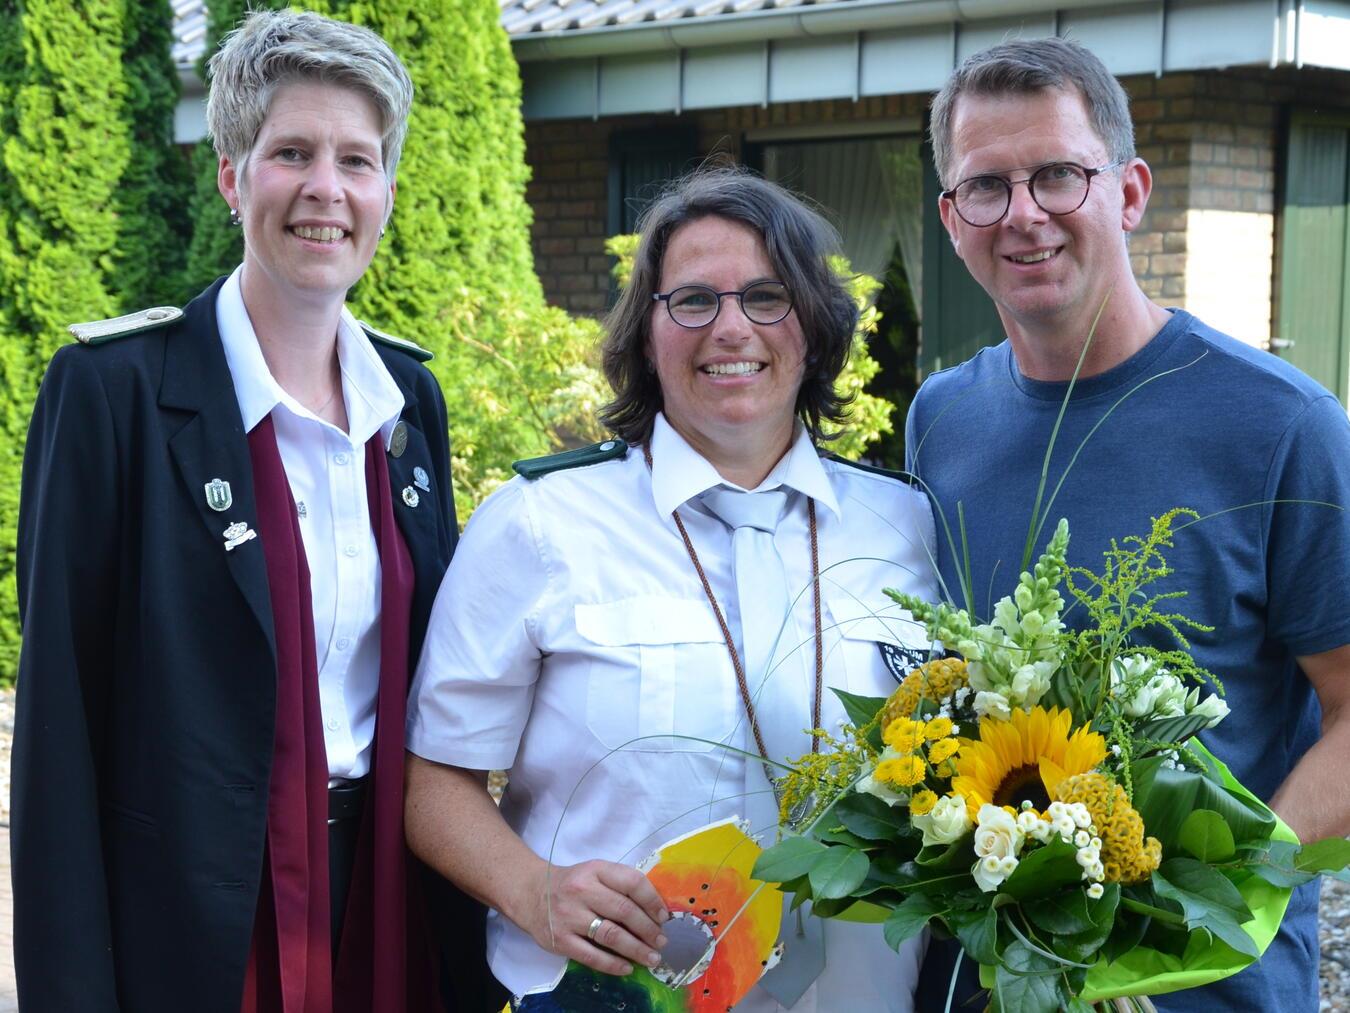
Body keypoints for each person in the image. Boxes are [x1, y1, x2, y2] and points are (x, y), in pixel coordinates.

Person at [11, 10, 496, 1012]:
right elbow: (56, 736)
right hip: (191, 922)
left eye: (357, 160)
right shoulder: (115, 393)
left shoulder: (410, 405)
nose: (327, 189)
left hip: (386, 902)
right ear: (232, 177)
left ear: (388, 192)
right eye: (291, 153)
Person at [404, 168, 934, 1011]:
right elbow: (434, 782)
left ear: (817, 325)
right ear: (646, 332)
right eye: (692, 300)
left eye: (767, 296)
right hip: (614, 999)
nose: (731, 327)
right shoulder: (540, 524)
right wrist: (535, 889)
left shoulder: (907, 526)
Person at [906, 37, 1350, 1013]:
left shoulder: (1284, 426)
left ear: (1131, 192)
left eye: (1059, 175)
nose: (1023, 214)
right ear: (951, 218)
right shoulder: (940, 420)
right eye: (986, 186)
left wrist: (1230, 879)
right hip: (1002, 975)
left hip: (1208, 984)